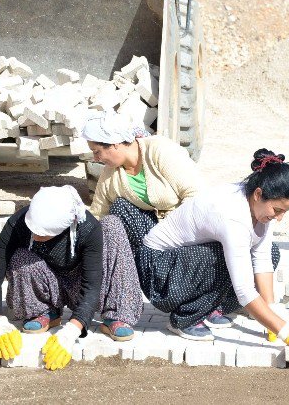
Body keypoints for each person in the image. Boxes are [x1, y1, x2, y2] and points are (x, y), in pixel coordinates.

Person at [112, 147, 289, 354]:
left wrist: (273, 315)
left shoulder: (258, 207)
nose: (279, 218)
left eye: (285, 212)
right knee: (220, 258)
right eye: (277, 210)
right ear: (258, 194)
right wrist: (285, 331)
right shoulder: (232, 216)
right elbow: (244, 290)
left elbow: (263, 259)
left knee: (271, 252)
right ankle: (185, 318)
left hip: (186, 265)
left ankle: (210, 306)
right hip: (159, 271)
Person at [0, 185, 143, 370]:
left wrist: (71, 331)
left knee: (113, 225)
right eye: (33, 230)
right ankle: (45, 312)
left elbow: (92, 286)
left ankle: (116, 315)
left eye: (42, 233)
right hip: (49, 282)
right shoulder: (18, 223)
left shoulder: (88, 228)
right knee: (19, 258)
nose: (35, 235)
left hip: (81, 283)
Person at [81, 112, 210, 333]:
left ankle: (198, 304)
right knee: (116, 215)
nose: (96, 158)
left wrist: (171, 235)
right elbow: (97, 215)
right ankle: (121, 306)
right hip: (149, 241)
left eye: (97, 151)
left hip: (184, 232)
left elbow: (196, 196)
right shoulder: (111, 173)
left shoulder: (159, 151)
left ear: (114, 145)